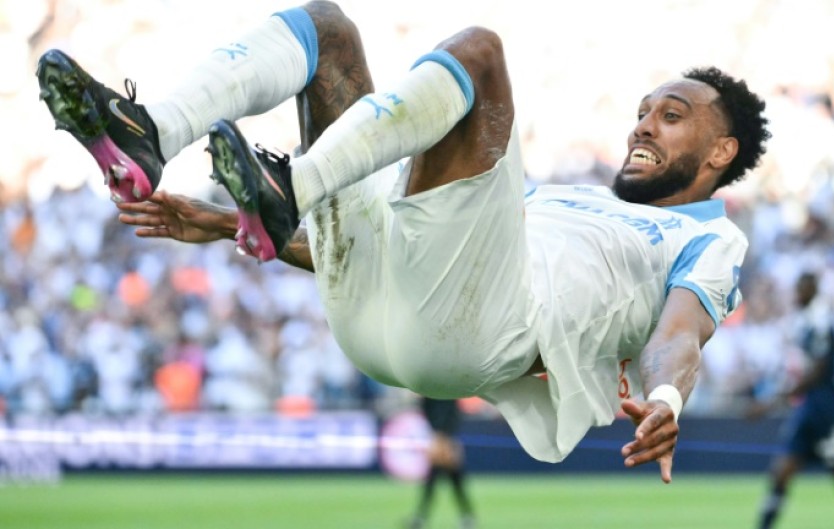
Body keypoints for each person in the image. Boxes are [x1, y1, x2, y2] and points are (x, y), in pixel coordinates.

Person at [38, 1, 770, 481]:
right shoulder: (568, 200)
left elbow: (680, 333)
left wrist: (667, 395)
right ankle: (154, 131)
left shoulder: (711, 240)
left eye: (671, 115)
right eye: (643, 111)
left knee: (480, 55)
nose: (642, 124)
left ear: (719, 153)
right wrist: (226, 223)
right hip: (376, 314)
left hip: (476, 337)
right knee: (327, 36)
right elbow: (409, 249)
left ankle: (289, 189)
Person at [753, 272, 834, 529]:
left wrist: (775, 400)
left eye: (800, 289)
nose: (796, 294)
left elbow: (818, 370)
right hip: (808, 409)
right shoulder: (806, 321)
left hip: (827, 410)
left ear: (812, 289)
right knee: (782, 472)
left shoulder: (821, 320)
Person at [408, 398, 476, 529]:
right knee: (435, 482)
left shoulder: (446, 393)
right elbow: (427, 412)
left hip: (446, 440)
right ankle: (466, 516)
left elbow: (454, 414)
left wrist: (445, 437)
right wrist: (436, 434)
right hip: (438, 439)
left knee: (454, 481)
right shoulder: (430, 394)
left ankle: (466, 516)